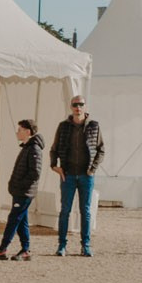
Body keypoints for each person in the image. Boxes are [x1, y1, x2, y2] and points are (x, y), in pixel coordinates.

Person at [51, 94, 104, 256]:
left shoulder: (94, 126)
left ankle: (85, 245)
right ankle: (62, 245)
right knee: (65, 211)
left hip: (86, 176)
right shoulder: (63, 126)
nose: (78, 107)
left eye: (81, 104)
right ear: (71, 107)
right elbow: (54, 149)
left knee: (85, 211)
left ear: (85, 107)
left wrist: (92, 169)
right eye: (75, 105)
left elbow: (101, 150)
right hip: (67, 175)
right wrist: (55, 166)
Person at [0, 118, 44, 260]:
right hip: (20, 191)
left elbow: (35, 173)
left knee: (13, 219)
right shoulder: (27, 147)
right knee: (22, 221)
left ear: (28, 132)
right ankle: (25, 250)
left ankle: (2, 249)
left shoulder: (34, 149)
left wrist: (20, 185)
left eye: (20, 130)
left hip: (24, 192)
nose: (17, 132)